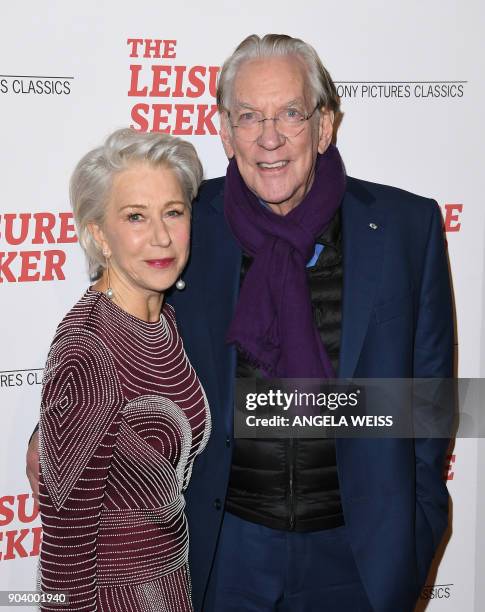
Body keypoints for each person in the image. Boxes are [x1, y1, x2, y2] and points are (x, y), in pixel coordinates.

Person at [28, 34, 454, 612]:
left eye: (290, 114)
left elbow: (429, 400)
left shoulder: (407, 227)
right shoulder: (185, 222)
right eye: (249, 116)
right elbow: (120, 321)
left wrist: (417, 528)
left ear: (324, 125)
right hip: (224, 554)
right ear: (225, 132)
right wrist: (59, 432)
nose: (269, 137)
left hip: (359, 555)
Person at [36, 129, 210, 611]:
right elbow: (64, 549)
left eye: (173, 212)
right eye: (136, 216)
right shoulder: (89, 347)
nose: (161, 236)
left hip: (174, 585)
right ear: (98, 235)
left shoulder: (166, 320)